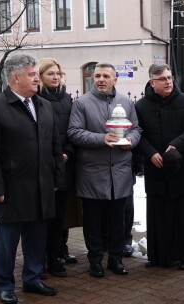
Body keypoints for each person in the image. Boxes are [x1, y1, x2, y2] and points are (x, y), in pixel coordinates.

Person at [0, 54, 63, 303]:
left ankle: (33, 278)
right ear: (15, 78)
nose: (37, 78)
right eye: (32, 74)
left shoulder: (44, 104)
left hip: (42, 185)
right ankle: (4, 284)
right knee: (7, 243)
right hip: (11, 188)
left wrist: (57, 177)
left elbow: (54, 145)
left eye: (36, 74)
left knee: (37, 239)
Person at [67, 63, 141, 278]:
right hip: (92, 173)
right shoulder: (81, 103)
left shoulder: (126, 102)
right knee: (93, 222)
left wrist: (131, 140)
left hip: (120, 173)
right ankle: (95, 261)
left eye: (106, 76)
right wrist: (101, 139)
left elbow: (136, 128)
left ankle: (116, 259)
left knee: (118, 221)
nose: (100, 79)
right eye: (97, 75)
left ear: (115, 79)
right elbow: (74, 132)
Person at [135, 63, 184, 270]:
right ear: (152, 82)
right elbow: (139, 133)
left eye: (170, 78)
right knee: (158, 214)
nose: (168, 82)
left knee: (183, 213)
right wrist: (151, 153)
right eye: (162, 79)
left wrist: (175, 146)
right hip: (156, 168)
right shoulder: (141, 106)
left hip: (181, 166)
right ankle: (158, 256)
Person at [36, 58, 76, 277]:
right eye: (50, 73)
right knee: (43, 217)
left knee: (60, 216)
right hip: (42, 167)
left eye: (58, 73)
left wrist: (67, 152)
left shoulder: (67, 99)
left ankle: (56, 257)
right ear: (41, 76)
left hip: (64, 165)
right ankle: (39, 260)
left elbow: (73, 129)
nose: (55, 77)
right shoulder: (35, 99)